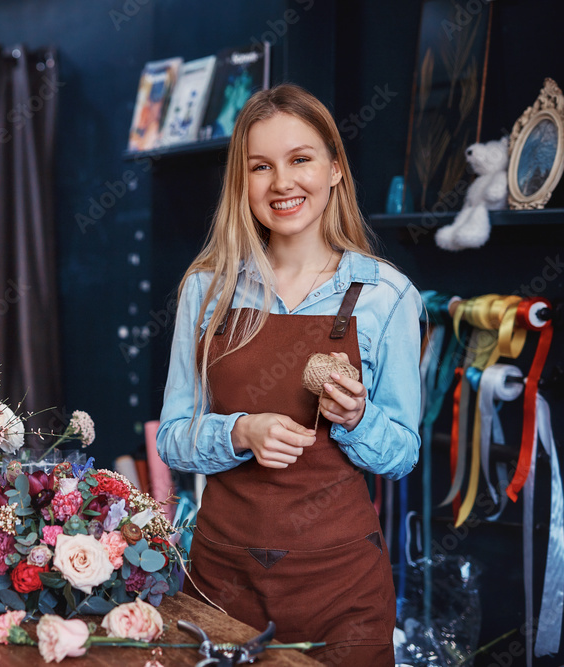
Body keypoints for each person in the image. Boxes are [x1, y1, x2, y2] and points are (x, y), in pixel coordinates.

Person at [157, 83, 422, 666]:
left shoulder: (387, 297)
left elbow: (402, 454)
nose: (282, 183)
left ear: (335, 170)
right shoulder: (207, 289)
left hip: (341, 588)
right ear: (242, 182)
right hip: (221, 583)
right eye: (261, 167)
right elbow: (172, 436)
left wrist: (356, 419)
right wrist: (239, 432)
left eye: (300, 159)